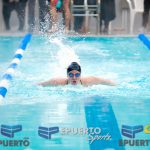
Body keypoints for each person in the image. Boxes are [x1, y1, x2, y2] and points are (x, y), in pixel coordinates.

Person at [38, 62, 115, 86]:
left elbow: (109, 82)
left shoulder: (90, 80)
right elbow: (39, 85)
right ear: (67, 75)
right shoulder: (56, 82)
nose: (74, 77)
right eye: (71, 75)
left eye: (77, 75)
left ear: (80, 75)